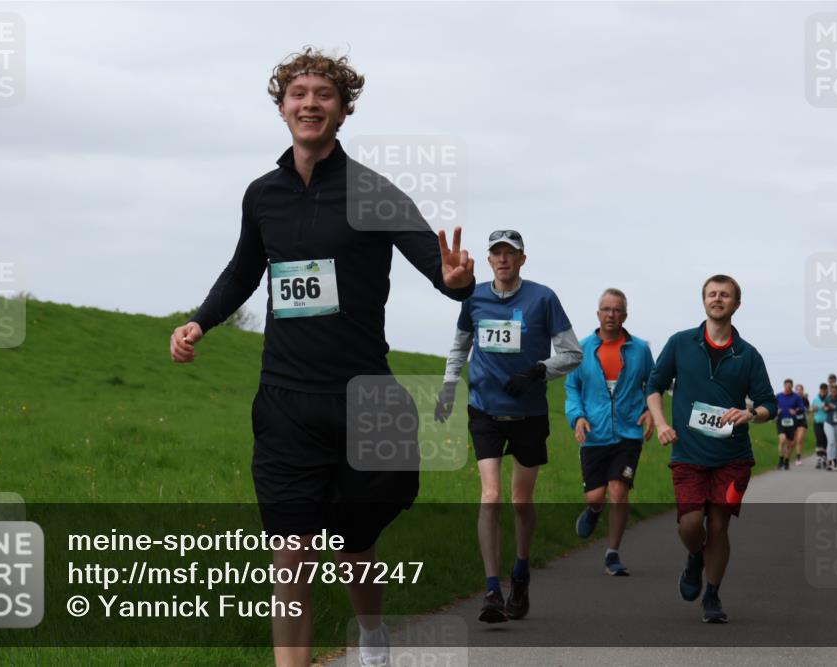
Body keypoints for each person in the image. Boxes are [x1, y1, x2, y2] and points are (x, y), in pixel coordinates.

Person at [170, 48, 476, 667]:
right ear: (282, 108)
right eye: (298, 94)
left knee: (354, 546)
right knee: (291, 552)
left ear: (342, 110)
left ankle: (371, 633)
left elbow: (436, 268)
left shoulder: (374, 192)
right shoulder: (263, 196)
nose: (310, 104)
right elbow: (243, 270)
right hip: (286, 401)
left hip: (364, 400)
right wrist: (200, 320)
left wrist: (458, 280)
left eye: (324, 95)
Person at [435, 230, 581, 623]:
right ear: (488, 260)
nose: (503, 259)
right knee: (491, 495)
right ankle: (491, 588)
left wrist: (538, 371)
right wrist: (450, 387)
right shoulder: (473, 297)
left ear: (522, 259)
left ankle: (520, 570)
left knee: (520, 501)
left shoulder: (543, 298)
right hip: (484, 409)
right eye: (496, 253)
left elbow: (572, 353)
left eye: (510, 254)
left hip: (528, 412)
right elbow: (460, 345)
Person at [646, 275, 775, 624]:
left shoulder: (748, 355)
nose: (718, 299)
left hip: (733, 458)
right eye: (712, 294)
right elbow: (655, 387)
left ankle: (713, 596)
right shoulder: (680, 343)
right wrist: (661, 423)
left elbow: (768, 405)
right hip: (688, 455)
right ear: (703, 301)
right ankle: (695, 558)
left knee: (718, 526)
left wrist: (749, 414)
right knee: (690, 526)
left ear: (736, 303)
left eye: (725, 295)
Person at [564, 288, 654, 576]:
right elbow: (571, 389)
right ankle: (593, 511)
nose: (611, 314)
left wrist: (651, 410)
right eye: (606, 309)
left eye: (617, 310)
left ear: (625, 315)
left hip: (628, 433)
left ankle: (612, 552)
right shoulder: (583, 349)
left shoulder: (640, 349)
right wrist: (576, 417)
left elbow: (653, 384)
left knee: (619, 490)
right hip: (595, 433)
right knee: (596, 497)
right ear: (598, 314)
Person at [775, 379, 806, 470]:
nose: (788, 388)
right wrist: (777, 411)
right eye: (786, 386)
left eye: (790, 386)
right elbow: (773, 406)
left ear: (792, 387)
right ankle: (781, 460)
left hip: (792, 423)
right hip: (781, 421)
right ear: (784, 386)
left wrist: (795, 411)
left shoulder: (796, 397)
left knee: (789, 443)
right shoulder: (778, 396)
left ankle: (787, 461)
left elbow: (802, 408)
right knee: (782, 440)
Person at [811, 383, 830, 469]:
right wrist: (814, 409)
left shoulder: (829, 399)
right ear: (820, 390)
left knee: (825, 440)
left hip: (827, 422)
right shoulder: (815, 399)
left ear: (827, 390)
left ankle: (824, 458)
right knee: (819, 439)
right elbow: (811, 409)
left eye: (824, 390)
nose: (823, 391)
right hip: (817, 421)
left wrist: (827, 408)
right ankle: (819, 458)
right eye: (821, 390)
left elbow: (831, 409)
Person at [793, 384, 809, 466]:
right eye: (797, 389)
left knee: (799, 439)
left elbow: (807, 408)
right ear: (795, 391)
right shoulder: (792, 398)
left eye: (800, 389)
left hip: (802, 421)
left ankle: (798, 458)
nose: (799, 391)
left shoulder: (805, 399)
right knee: (792, 442)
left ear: (803, 391)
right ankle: (787, 457)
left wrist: (801, 409)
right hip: (792, 422)